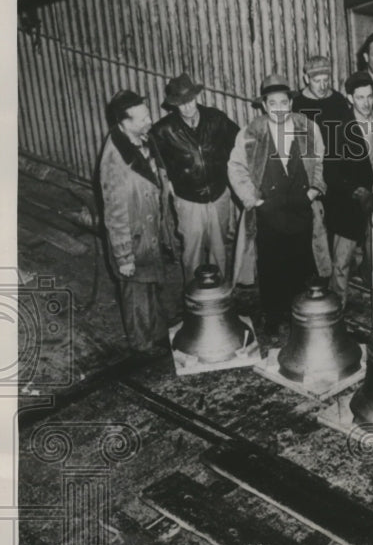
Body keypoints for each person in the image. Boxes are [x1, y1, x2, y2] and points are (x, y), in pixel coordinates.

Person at [227, 74, 326, 336]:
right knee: (271, 265)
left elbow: (320, 160)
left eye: (284, 102)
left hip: (300, 207)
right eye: (273, 104)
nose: (279, 109)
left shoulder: (307, 127)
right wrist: (255, 200)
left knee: (302, 262)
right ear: (264, 106)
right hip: (268, 211)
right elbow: (236, 168)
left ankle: (299, 316)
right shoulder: (250, 132)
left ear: (291, 103)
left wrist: (314, 191)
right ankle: (273, 316)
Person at [99, 89, 178, 354]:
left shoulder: (141, 138)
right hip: (132, 239)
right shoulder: (114, 160)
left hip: (148, 233)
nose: (150, 121)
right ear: (124, 123)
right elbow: (115, 215)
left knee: (150, 288)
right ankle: (142, 347)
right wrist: (124, 257)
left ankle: (156, 335)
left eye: (148, 115)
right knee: (136, 295)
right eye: (142, 118)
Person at [150, 72, 240, 281]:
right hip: (188, 199)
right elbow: (157, 166)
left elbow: (239, 143)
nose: (188, 107)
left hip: (219, 194)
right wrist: (167, 186)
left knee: (219, 249)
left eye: (190, 101)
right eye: (182, 104)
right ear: (174, 105)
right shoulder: (162, 131)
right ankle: (194, 297)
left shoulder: (216, 118)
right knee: (192, 250)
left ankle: (219, 296)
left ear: (196, 97)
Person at [326, 71, 373, 304]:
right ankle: (337, 305)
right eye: (360, 98)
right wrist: (356, 191)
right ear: (350, 98)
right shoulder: (340, 126)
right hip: (348, 199)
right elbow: (331, 172)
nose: (366, 103)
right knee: (342, 258)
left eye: (370, 97)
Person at [291, 54, 351, 280]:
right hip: (310, 173)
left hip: (336, 171)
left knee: (334, 222)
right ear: (305, 78)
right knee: (313, 225)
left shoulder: (338, 100)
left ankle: (333, 274)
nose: (323, 85)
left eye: (327, 79)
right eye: (317, 81)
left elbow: (348, 136)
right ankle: (313, 274)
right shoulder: (297, 104)